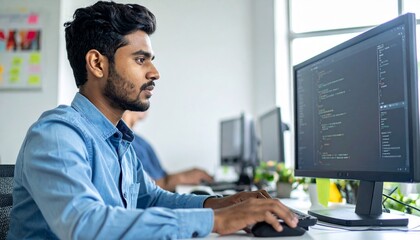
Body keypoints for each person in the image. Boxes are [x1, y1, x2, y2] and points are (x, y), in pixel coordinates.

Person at [7, 1, 298, 239]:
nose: (155, 72)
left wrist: (221, 203)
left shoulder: (118, 142)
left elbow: (154, 199)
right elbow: (84, 225)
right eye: (140, 59)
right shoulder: (56, 135)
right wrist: (216, 220)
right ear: (97, 63)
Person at [122, 110, 213, 192]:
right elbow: (139, 190)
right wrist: (181, 178)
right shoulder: (119, 143)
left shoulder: (142, 143)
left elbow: (162, 177)